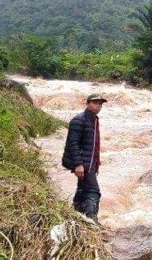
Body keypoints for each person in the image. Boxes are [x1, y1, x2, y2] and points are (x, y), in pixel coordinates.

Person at [62, 93, 107, 223]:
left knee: (82, 190)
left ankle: (75, 215)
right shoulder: (79, 120)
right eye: (95, 103)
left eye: (100, 104)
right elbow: (73, 143)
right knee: (93, 192)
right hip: (83, 164)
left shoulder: (93, 120)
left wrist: (96, 163)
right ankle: (92, 221)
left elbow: (93, 146)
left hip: (90, 163)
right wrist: (78, 164)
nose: (98, 106)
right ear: (87, 104)